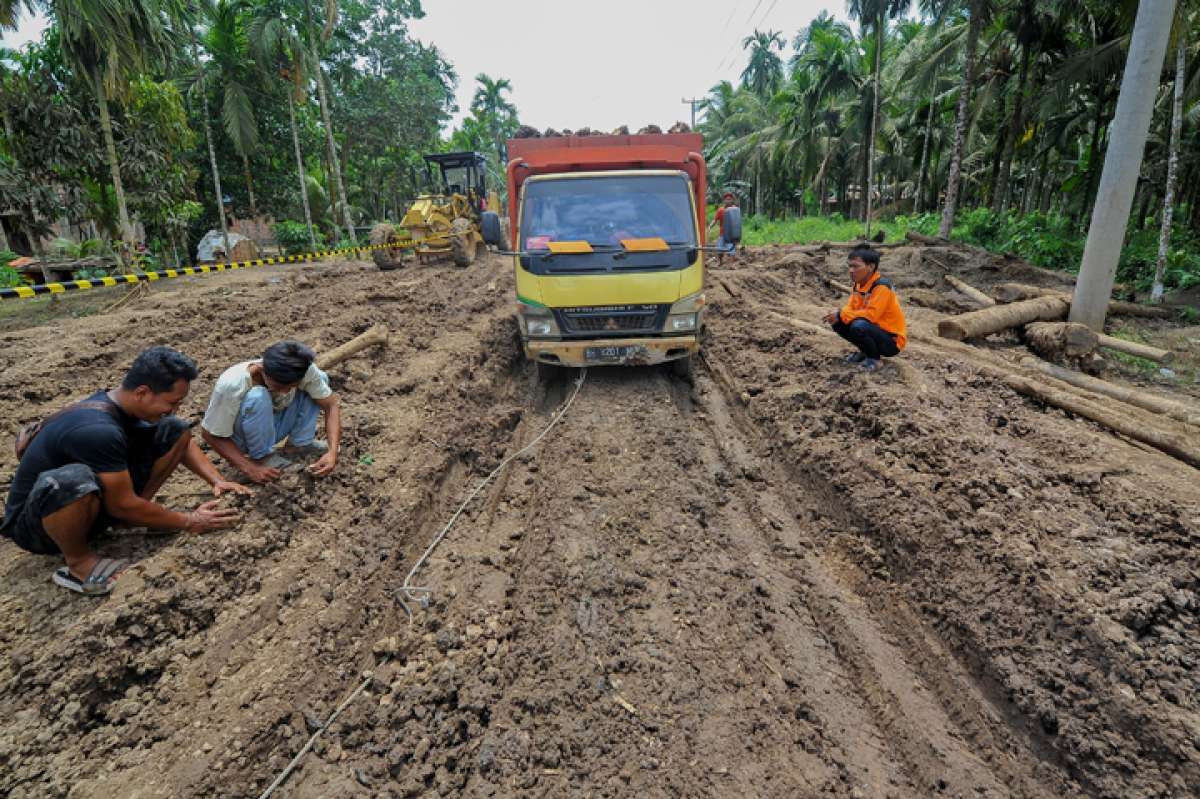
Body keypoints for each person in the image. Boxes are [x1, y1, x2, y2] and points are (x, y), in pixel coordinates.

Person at [1, 347, 248, 595]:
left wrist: (217, 479)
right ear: (142, 392)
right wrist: (189, 521)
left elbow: (181, 440)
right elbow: (121, 503)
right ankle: (78, 563)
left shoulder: (124, 407)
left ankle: (129, 520)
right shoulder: (98, 430)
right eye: (172, 402)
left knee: (174, 428)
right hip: (37, 526)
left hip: (90, 503)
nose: (175, 409)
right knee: (72, 480)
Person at [200, 340, 340, 483]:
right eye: (280, 386)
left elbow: (331, 406)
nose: (286, 391)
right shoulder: (232, 384)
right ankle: (262, 457)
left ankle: (299, 444)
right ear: (262, 370)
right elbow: (209, 433)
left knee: (320, 379)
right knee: (258, 396)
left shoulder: (303, 370)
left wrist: (332, 452)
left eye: (292, 386)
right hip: (240, 437)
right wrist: (249, 468)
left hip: (271, 425)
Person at [822, 245, 907, 372]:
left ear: (871, 267)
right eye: (849, 266)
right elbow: (851, 307)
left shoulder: (881, 287)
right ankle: (865, 352)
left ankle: (874, 360)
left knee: (858, 325)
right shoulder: (858, 284)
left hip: (891, 341)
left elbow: (871, 315)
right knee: (837, 321)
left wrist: (841, 314)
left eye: (856, 266)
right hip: (874, 330)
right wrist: (838, 315)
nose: (851, 270)